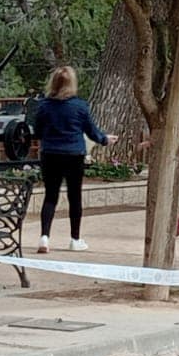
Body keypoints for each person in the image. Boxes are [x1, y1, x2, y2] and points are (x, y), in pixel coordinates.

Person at [32, 65, 115, 252]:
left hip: (50, 153)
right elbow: (91, 131)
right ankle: (75, 239)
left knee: (50, 196)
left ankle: (44, 237)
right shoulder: (80, 106)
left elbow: (37, 131)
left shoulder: (44, 106)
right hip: (73, 154)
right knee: (74, 197)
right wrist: (104, 139)